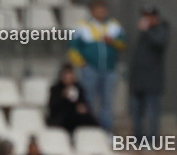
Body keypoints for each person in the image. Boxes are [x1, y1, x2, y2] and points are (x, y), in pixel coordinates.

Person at [68, 0, 125, 132]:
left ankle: (106, 131)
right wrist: (83, 65)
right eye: (97, 9)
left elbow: (123, 45)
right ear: (92, 11)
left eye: (103, 9)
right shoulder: (81, 26)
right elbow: (73, 48)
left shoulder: (114, 25)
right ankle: (89, 130)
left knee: (107, 103)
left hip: (109, 70)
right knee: (88, 101)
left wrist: (113, 41)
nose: (101, 12)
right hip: (90, 70)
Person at [129, 7, 169, 141]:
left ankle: (152, 140)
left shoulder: (162, 29)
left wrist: (147, 31)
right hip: (138, 80)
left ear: (155, 16)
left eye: (149, 16)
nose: (146, 19)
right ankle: (138, 140)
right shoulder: (142, 33)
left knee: (152, 113)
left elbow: (159, 42)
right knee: (136, 113)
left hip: (152, 81)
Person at [47, 63, 99, 134]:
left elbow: (83, 103)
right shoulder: (56, 89)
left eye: (70, 74)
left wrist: (82, 107)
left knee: (89, 118)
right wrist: (63, 97)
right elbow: (52, 107)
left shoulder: (78, 88)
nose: (68, 77)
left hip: (75, 116)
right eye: (66, 74)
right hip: (60, 117)